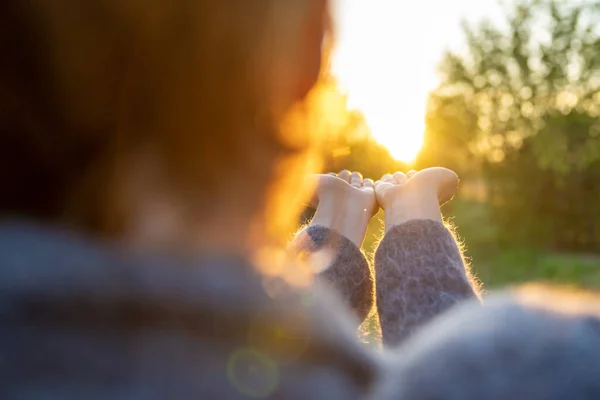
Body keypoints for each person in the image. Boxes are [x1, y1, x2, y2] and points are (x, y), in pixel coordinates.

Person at [1, 1, 600, 399]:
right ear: (307, 54)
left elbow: (223, 339)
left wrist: (329, 245)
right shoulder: (549, 367)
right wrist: (416, 228)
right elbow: (462, 371)